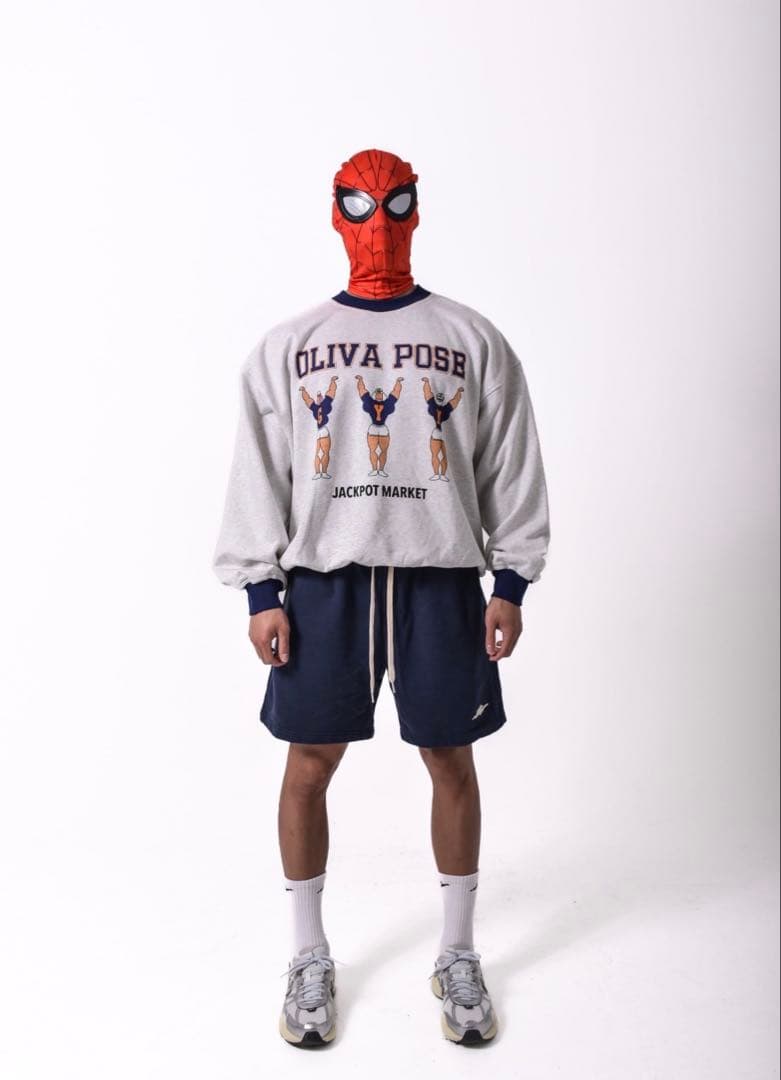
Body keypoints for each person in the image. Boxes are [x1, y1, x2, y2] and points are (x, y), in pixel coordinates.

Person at [213, 148, 550, 1048]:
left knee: (450, 758)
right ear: (336, 214)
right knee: (308, 762)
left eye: (394, 204)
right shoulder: (290, 345)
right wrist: (260, 588)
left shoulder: (470, 337)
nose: (377, 223)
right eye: (360, 206)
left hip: (440, 579)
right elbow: (258, 468)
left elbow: (510, 459)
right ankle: (307, 955)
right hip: (325, 583)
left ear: (416, 210)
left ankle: (457, 953)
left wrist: (512, 579)